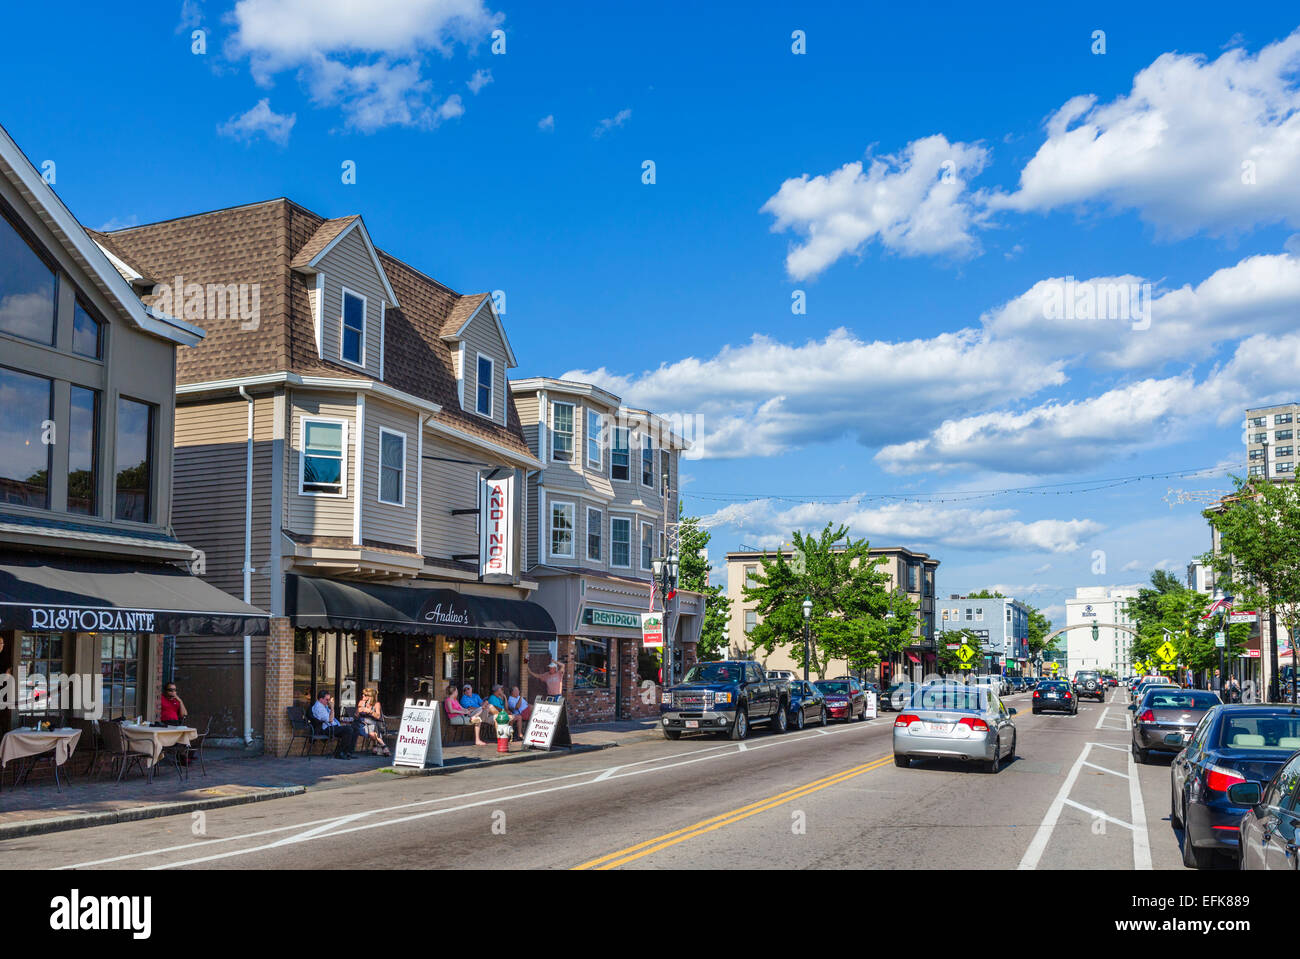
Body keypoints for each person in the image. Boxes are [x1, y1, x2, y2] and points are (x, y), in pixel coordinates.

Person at [311, 690, 358, 759]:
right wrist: (332, 708)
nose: (328, 701)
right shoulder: (318, 707)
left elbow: (332, 718)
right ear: (321, 699)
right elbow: (330, 720)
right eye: (327, 700)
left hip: (332, 726)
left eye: (329, 699)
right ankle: (340, 753)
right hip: (326, 729)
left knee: (355, 729)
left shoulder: (324, 706)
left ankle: (348, 752)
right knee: (348, 729)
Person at [355, 687, 390, 756]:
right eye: (363, 694)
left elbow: (378, 716)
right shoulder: (361, 702)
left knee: (373, 727)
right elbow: (356, 715)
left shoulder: (377, 704)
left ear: (370, 697)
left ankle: (375, 746)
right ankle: (382, 745)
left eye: (365, 695)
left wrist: (369, 711)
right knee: (372, 731)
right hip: (363, 725)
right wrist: (359, 710)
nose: (362, 696)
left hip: (374, 723)